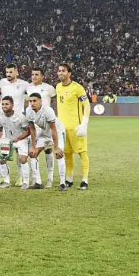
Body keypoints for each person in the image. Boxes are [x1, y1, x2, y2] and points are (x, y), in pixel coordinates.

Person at [56, 62, 91, 190]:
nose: (60, 73)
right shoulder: (58, 86)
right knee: (67, 154)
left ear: (69, 73)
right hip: (62, 129)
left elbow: (86, 105)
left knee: (82, 153)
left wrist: (84, 124)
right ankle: (69, 179)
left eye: (63, 71)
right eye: (59, 71)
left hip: (76, 128)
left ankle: (84, 180)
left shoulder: (77, 88)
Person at [26, 92, 66, 190]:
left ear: (41, 101)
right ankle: (38, 182)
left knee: (58, 154)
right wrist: (33, 146)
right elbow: (32, 129)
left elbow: (53, 129)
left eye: (34, 101)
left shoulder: (48, 110)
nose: (32, 103)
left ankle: (62, 183)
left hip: (58, 133)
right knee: (32, 153)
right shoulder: (29, 111)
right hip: (44, 133)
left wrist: (56, 147)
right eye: (30, 101)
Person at [0, 95, 33, 189]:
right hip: (7, 140)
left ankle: (26, 182)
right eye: (2, 104)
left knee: (22, 159)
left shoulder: (20, 117)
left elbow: (28, 131)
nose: (4, 106)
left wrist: (18, 138)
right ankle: (6, 181)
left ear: (12, 105)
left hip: (21, 140)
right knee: (2, 159)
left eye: (7, 104)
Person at [28, 67, 57, 185]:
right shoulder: (29, 88)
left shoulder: (49, 88)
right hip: (35, 124)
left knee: (48, 151)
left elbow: (55, 102)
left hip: (47, 123)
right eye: (32, 74)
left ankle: (50, 178)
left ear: (42, 76)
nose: (34, 76)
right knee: (34, 150)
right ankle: (36, 179)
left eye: (37, 74)